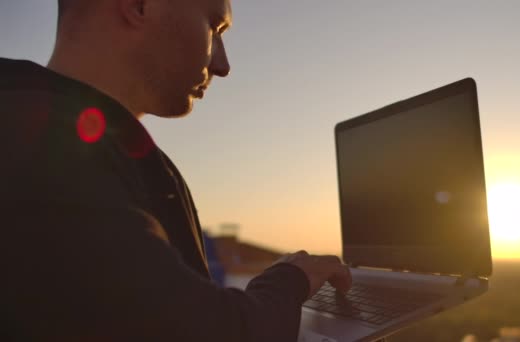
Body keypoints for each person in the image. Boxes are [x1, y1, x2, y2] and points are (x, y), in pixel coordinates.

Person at [0, 0, 352, 340]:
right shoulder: (41, 146)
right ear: (139, 5)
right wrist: (290, 279)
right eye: (214, 26)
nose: (222, 64)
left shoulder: (80, 143)